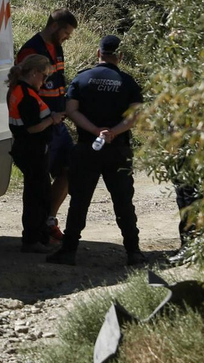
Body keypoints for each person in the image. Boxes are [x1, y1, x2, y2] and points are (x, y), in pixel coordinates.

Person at [46, 34, 145, 266]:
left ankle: (69, 251)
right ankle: (133, 252)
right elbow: (135, 116)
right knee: (123, 201)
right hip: (118, 149)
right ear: (119, 56)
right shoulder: (128, 82)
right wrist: (113, 132)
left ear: (98, 53)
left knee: (79, 201)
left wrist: (95, 130)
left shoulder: (82, 79)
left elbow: (71, 110)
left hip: (86, 148)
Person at [15, 8, 77, 242]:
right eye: (66, 32)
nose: (67, 37)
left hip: (58, 123)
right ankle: (35, 232)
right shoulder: (32, 50)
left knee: (70, 169)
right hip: (43, 127)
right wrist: (45, 119)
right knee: (37, 183)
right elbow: (25, 89)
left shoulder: (57, 48)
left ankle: (48, 220)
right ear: (54, 27)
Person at [6, 53, 63, 252]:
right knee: (37, 197)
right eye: (44, 76)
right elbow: (32, 127)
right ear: (33, 73)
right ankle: (32, 239)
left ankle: (37, 237)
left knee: (37, 193)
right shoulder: (26, 95)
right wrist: (53, 119)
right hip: (31, 150)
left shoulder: (19, 90)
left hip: (27, 149)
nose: (45, 81)